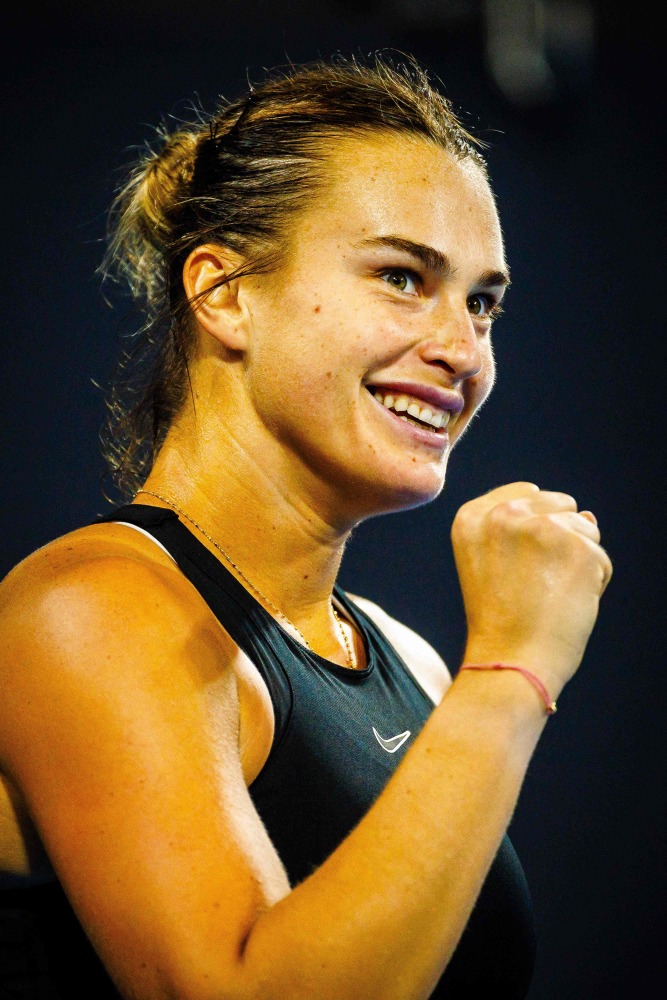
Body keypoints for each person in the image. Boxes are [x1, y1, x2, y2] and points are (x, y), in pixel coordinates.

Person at [0, 56, 611, 999]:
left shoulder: (406, 658)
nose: (462, 350)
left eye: (482, 302)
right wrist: (510, 670)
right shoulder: (90, 608)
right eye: (403, 276)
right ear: (225, 292)